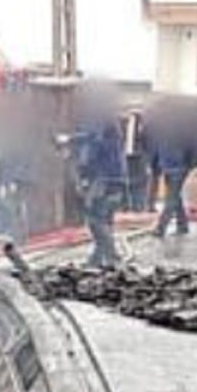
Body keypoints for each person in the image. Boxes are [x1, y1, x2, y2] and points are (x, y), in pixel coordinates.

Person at [71, 84, 128, 270]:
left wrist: (72, 144)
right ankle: (97, 258)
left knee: (95, 219)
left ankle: (113, 258)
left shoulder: (98, 120)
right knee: (105, 218)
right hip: (116, 176)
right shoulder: (111, 121)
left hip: (102, 178)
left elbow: (92, 144)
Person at [150, 105, 195, 238]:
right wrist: (156, 165)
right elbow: (156, 149)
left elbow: (193, 148)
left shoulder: (184, 130)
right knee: (175, 196)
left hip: (178, 167)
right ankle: (183, 224)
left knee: (171, 197)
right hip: (168, 166)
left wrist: (189, 164)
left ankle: (161, 227)